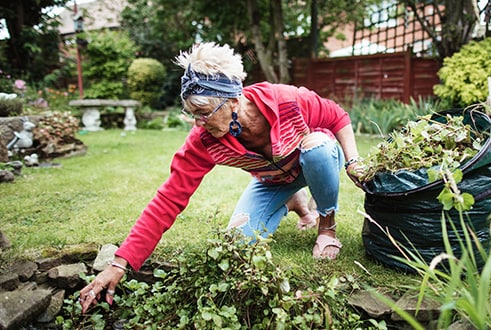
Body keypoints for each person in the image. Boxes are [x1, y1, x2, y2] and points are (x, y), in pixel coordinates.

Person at [79, 42, 364, 313]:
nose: (198, 123)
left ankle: (326, 227)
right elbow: (169, 198)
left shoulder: (286, 99)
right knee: (237, 246)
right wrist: (120, 263)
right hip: (272, 180)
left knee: (319, 149)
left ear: (233, 100)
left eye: (203, 113)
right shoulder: (203, 140)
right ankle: (294, 201)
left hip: (313, 159)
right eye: (191, 114)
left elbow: (337, 117)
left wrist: (352, 161)